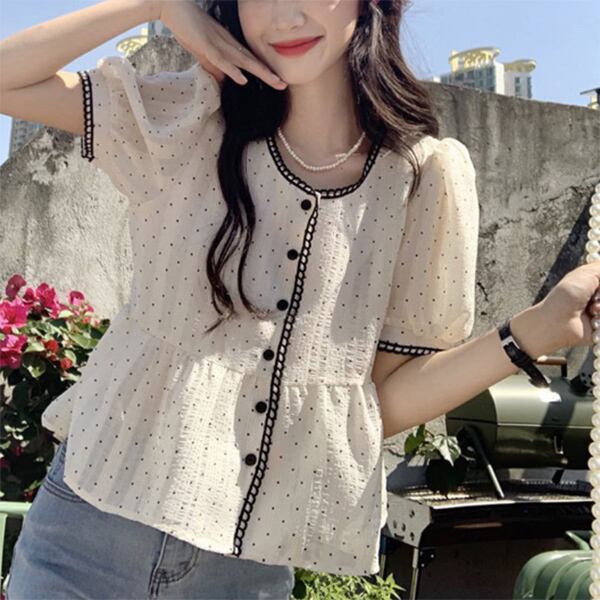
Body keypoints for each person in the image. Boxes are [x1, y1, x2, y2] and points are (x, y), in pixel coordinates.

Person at [1, 0, 599, 597]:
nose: (284, 15)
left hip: (242, 573)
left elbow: (378, 403)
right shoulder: (186, 116)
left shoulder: (419, 178)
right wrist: (156, 5)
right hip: (83, 537)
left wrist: (538, 329)